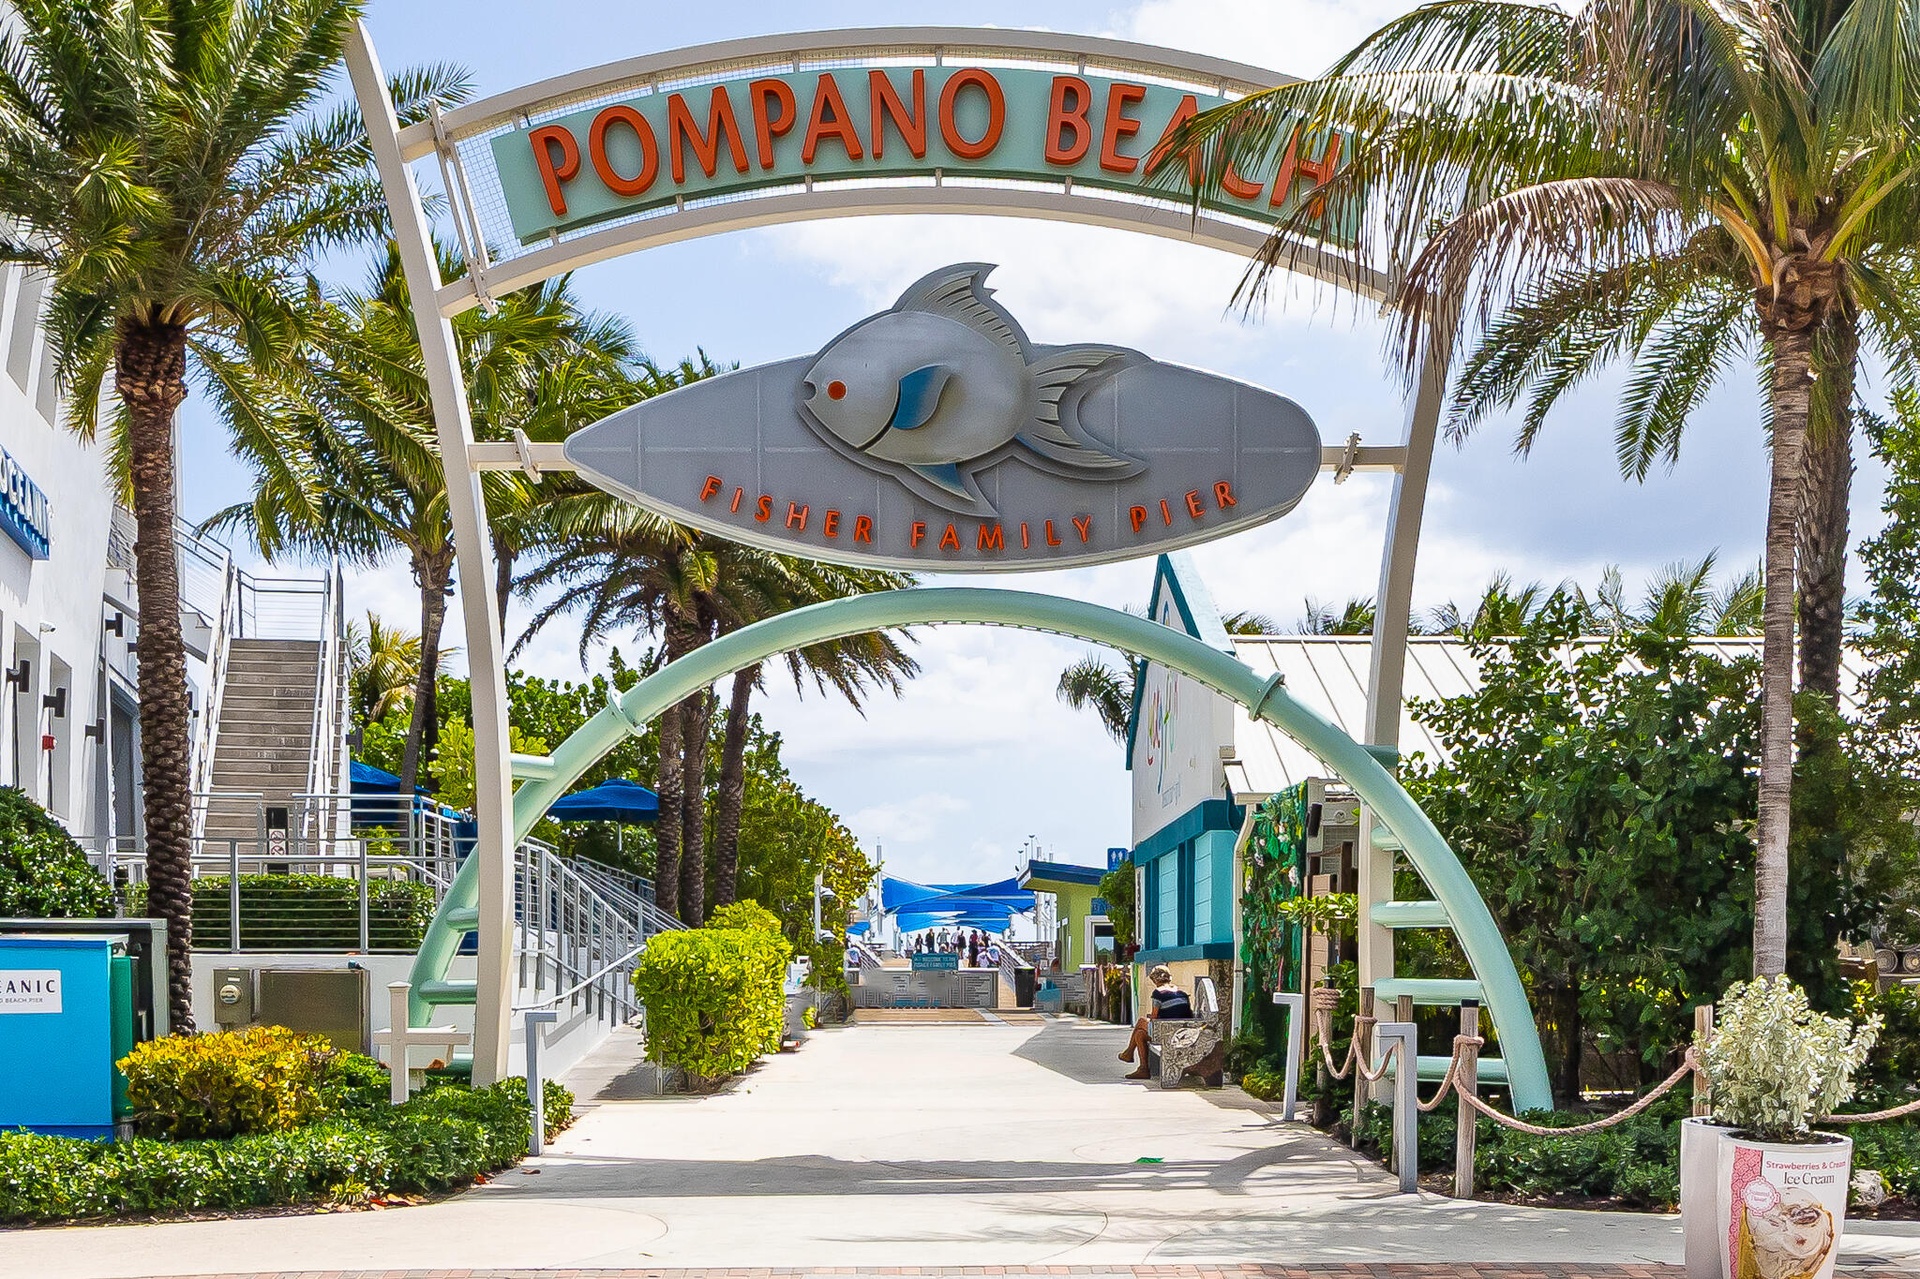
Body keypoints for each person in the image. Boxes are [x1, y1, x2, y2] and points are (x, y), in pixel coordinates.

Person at [1119, 965, 1191, 1080]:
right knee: (1139, 1034)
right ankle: (1142, 1069)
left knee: (1141, 1021)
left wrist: (1150, 1018)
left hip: (1167, 1034)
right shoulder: (1182, 993)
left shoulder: (1158, 993)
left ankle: (1129, 1053)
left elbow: (1154, 1017)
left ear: (1155, 980)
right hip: (1183, 1033)